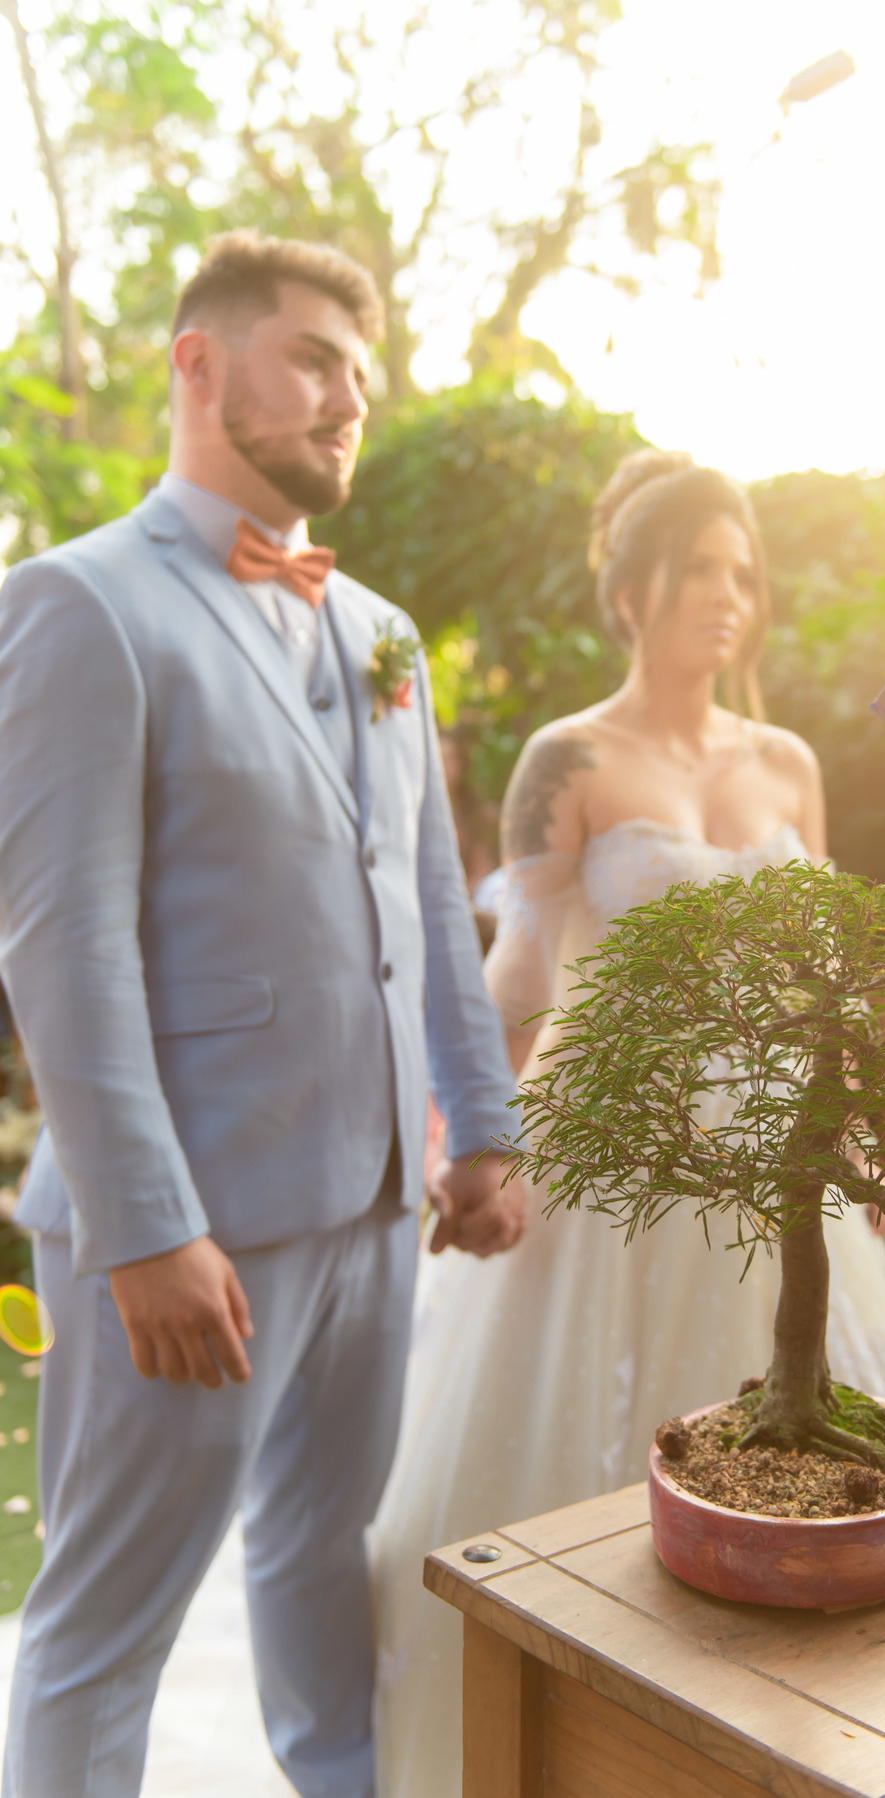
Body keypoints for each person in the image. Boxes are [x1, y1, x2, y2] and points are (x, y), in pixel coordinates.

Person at [0, 231, 524, 1798]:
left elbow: (430, 903)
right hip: (184, 1231)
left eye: (361, 374)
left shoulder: (381, 635)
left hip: (371, 1206)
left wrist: (482, 1128)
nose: (347, 399)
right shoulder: (78, 605)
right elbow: (59, 939)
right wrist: (145, 1228)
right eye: (311, 357)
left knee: (319, 1555)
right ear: (198, 361)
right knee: (107, 1616)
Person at [369, 449, 885, 1797]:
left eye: (744, 573)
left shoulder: (788, 760)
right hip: (617, 1150)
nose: (726, 596)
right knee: (572, 1507)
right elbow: (509, 979)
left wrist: (854, 1125)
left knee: (807, 1456)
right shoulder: (565, 756)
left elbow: (830, 975)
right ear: (629, 588)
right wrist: (476, 1139)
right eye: (698, 568)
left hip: (781, 1161)